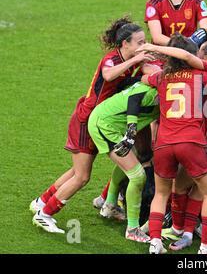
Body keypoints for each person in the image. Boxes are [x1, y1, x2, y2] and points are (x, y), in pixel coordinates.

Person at [30, 17, 152, 233]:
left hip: (99, 121)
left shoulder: (128, 62)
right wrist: (136, 61)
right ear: (125, 44)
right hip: (86, 121)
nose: (144, 46)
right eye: (139, 42)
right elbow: (108, 74)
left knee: (77, 171)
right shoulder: (111, 59)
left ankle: (42, 202)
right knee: (82, 176)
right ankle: (45, 214)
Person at [140, 34, 207, 254]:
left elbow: (143, 80)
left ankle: (155, 242)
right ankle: (206, 246)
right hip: (191, 141)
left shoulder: (161, 77)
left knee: (161, 194)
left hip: (163, 143)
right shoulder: (202, 75)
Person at [87, 80, 159, 242]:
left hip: (109, 121)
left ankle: (110, 204)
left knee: (131, 161)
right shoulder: (154, 92)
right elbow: (134, 99)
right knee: (138, 176)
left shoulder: (160, 85)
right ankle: (132, 230)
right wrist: (132, 129)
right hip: (106, 125)